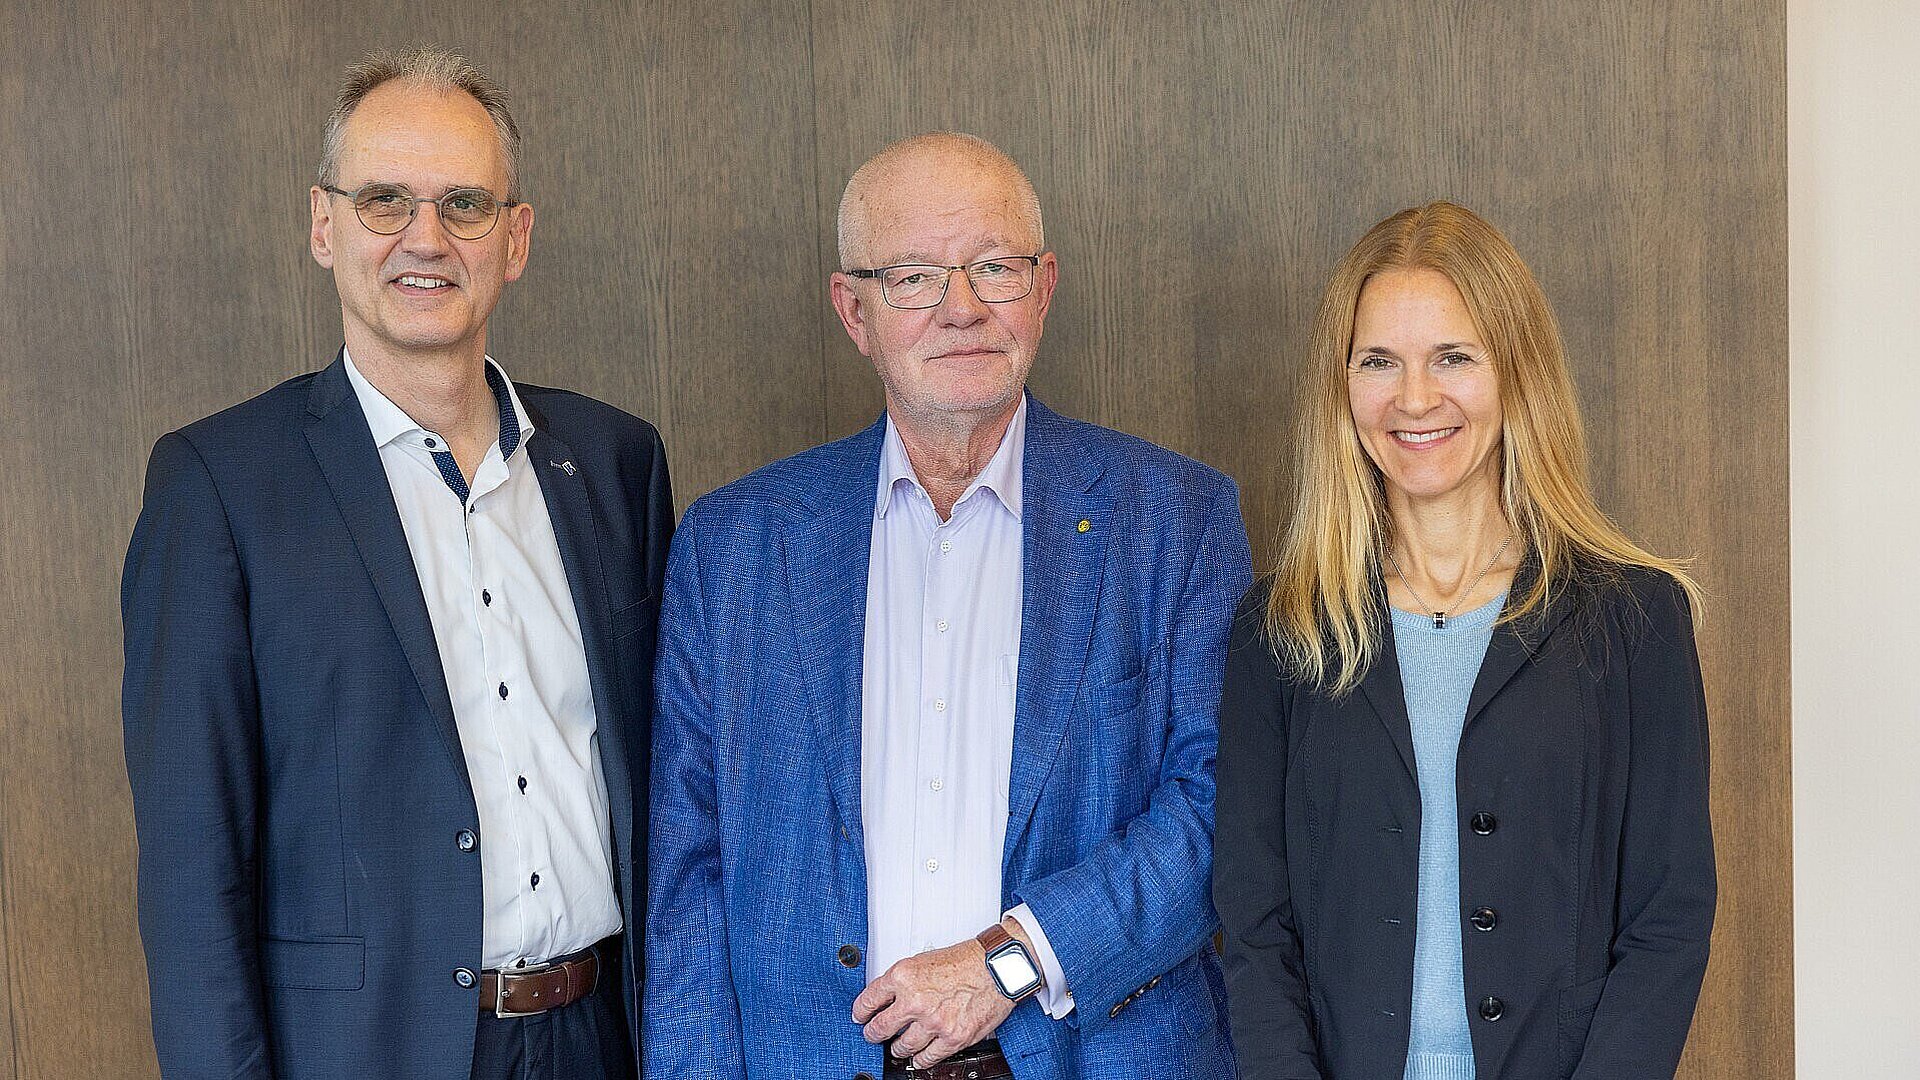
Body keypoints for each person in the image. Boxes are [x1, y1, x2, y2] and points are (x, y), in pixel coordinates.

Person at [645, 132, 1251, 1080]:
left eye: (994, 269)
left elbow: (1222, 809)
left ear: (1044, 287)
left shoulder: (1175, 520)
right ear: (854, 310)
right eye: (915, 277)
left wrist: (1012, 961)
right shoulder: (735, 547)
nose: (961, 309)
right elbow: (689, 879)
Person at [121, 46, 670, 1080]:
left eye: (465, 204)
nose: (426, 239)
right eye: (385, 202)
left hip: (601, 1038)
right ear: (323, 225)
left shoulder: (613, 462)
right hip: (368, 1053)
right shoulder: (219, 486)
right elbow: (192, 877)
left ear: (515, 239)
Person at [1213, 201, 1716, 1079]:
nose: (1415, 398)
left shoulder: (1634, 620)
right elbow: (1255, 929)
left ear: (1516, 373)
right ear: (1343, 384)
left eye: (1453, 357)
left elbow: (1667, 920)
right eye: (1380, 361)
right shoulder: (1278, 634)